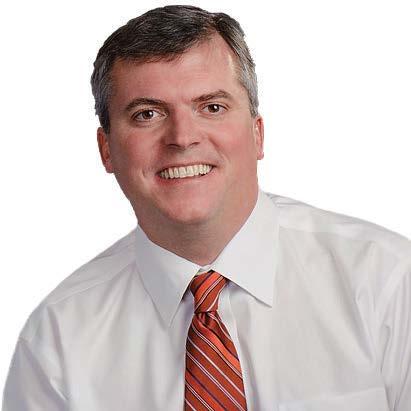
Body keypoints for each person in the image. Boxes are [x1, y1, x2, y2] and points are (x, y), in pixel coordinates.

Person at [2, 5, 411, 411]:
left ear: (257, 133)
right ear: (106, 149)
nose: (182, 137)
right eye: (147, 114)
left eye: (212, 107)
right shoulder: (57, 340)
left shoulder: (386, 281)